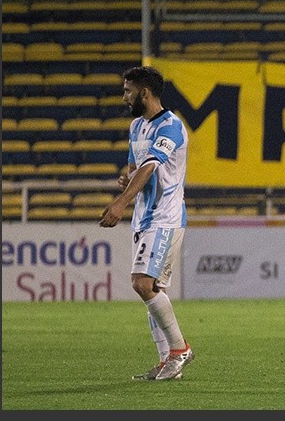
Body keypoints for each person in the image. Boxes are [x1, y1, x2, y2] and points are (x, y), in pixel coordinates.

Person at [99, 66, 195, 381]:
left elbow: (152, 166)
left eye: (128, 91)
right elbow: (135, 166)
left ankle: (180, 350)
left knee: (142, 283)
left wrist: (120, 202)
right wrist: (126, 178)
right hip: (144, 218)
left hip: (165, 217)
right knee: (153, 289)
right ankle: (168, 362)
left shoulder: (171, 127)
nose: (124, 97)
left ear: (145, 92)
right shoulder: (137, 126)